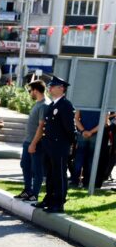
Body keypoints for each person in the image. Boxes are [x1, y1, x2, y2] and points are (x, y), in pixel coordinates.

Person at [31, 76, 75, 213]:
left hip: (60, 146)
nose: (49, 88)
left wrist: (72, 144)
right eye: (49, 86)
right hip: (49, 146)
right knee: (50, 175)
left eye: (52, 86)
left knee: (59, 175)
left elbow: (69, 128)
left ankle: (59, 203)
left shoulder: (65, 105)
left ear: (61, 88)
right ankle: (49, 198)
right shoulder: (53, 105)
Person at [17, 80, 49, 202]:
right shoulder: (38, 103)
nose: (30, 93)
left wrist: (33, 144)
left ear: (35, 90)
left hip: (36, 143)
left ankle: (34, 194)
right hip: (28, 141)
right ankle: (27, 191)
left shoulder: (45, 105)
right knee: (25, 165)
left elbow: (42, 127)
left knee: (37, 169)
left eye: (30, 90)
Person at [71, 109, 101, 188]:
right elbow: (104, 121)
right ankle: (88, 182)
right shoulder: (103, 101)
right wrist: (91, 132)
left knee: (79, 158)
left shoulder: (83, 102)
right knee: (91, 160)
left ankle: (75, 181)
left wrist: (83, 130)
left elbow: (76, 118)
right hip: (95, 134)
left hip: (83, 133)